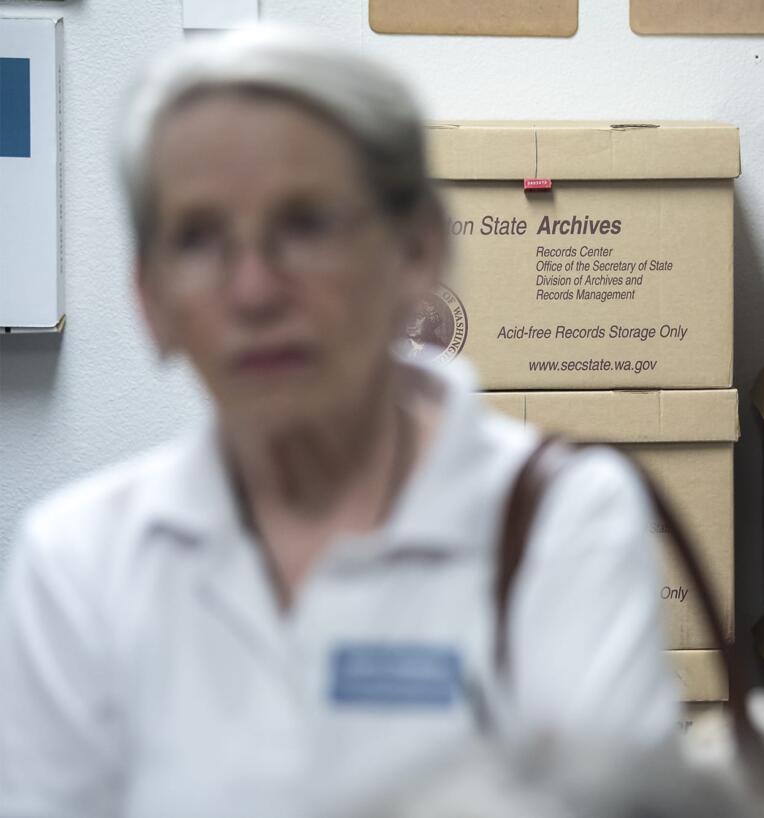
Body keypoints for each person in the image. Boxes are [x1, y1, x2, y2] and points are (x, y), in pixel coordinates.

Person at [0, 27, 676, 818]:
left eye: (307, 224)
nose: (253, 291)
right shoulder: (80, 563)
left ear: (417, 252)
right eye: (197, 239)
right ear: (151, 303)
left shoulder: (561, 522)